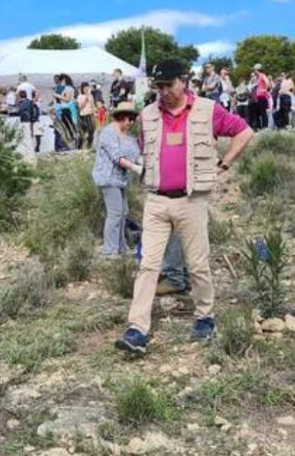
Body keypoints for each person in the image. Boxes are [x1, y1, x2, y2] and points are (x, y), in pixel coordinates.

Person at [115, 60, 254, 355]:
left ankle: (205, 318)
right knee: (148, 265)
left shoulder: (208, 109)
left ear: (184, 81)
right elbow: (146, 150)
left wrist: (224, 164)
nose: (163, 91)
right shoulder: (148, 115)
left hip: (192, 200)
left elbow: (244, 132)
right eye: (159, 86)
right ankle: (137, 328)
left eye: (169, 84)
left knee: (198, 264)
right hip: (156, 200)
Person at [92, 102, 141, 257]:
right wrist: (136, 168)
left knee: (123, 212)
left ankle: (121, 247)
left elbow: (135, 154)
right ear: (122, 117)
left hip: (121, 179)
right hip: (108, 178)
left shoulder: (127, 136)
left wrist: (141, 162)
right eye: (129, 119)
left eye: (132, 119)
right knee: (115, 213)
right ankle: (110, 250)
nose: (131, 122)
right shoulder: (108, 133)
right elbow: (117, 157)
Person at [16, 90, 37, 164]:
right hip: (28, 121)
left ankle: (28, 152)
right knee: (27, 136)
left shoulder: (23, 103)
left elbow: (20, 111)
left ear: (19, 95)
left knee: (26, 137)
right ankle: (29, 152)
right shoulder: (29, 102)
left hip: (25, 121)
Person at [77, 82, 96, 150]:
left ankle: (89, 147)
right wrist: (85, 100)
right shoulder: (80, 96)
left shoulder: (91, 96)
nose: (86, 89)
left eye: (87, 88)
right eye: (85, 88)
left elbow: (93, 105)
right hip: (83, 116)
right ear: (82, 89)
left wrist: (94, 114)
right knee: (82, 133)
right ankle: (79, 147)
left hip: (90, 115)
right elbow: (79, 107)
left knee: (91, 132)